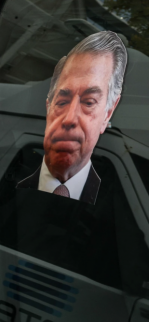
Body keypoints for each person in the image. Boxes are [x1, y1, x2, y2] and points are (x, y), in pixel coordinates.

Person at [17, 31, 127, 205]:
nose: (69, 119)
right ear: (48, 107)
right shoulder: (0, 181)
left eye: (89, 102)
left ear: (108, 113)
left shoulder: (120, 207)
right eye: (62, 102)